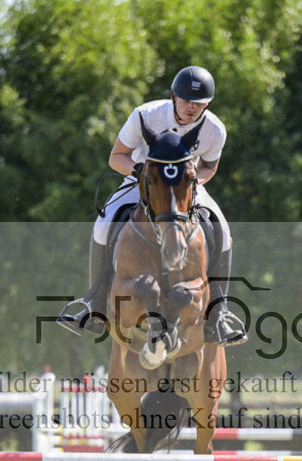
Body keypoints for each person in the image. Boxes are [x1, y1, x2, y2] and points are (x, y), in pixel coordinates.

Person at [57, 65, 247, 346]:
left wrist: (192, 182)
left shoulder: (215, 129)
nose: (192, 108)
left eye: (199, 103)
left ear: (207, 104)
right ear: (174, 97)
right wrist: (140, 173)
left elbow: (210, 167)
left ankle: (219, 312)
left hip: (183, 189)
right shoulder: (146, 115)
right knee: (104, 223)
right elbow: (116, 157)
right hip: (143, 182)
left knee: (224, 230)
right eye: (186, 100)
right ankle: (94, 305)